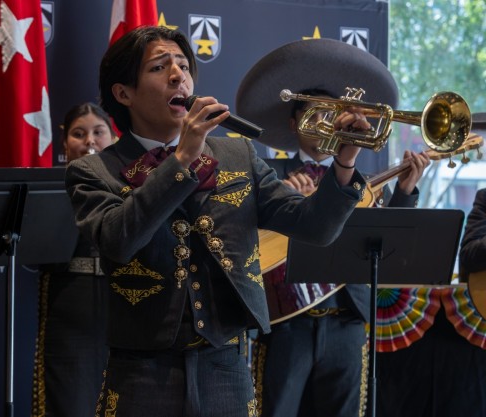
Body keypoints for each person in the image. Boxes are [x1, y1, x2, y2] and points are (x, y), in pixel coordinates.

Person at [65, 26, 373, 417]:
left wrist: (344, 163)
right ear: (123, 93)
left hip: (225, 365)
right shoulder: (95, 170)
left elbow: (316, 227)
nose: (179, 75)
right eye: (160, 67)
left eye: (183, 65)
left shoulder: (237, 154)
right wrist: (181, 160)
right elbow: (117, 240)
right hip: (140, 371)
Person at [235, 38, 430, 417]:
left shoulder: (366, 184)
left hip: (347, 324)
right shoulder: (269, 177)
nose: (326, 123)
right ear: (295, 122)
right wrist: (285, 202)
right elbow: (243, 244)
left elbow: (388, 248)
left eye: (333, 116)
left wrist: (405, 192)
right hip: (286, 324)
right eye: (316, 115)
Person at [31, 102, 115, 417]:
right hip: (68, 298)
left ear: (113, 136)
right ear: (66, 143)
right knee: (70, 395)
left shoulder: (134, 181)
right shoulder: (52, 184)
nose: (90, 141)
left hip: (121, 297)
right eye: (79, 134)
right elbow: (37, 252)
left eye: (98, 132)